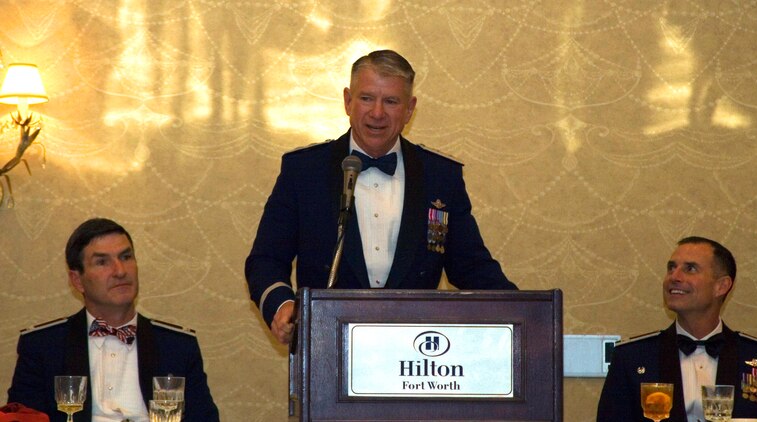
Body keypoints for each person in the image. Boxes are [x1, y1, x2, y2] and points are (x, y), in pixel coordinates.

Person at [245, 49, 517, 345]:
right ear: (347, 101)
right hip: (327, 344)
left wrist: (524, 314)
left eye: (391, 101)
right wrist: (282, 305)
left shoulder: (440, 176)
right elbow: (266, 259)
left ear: (409, 109)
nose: (377, 113)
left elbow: (471, 267)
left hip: (416, 352)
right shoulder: (304, 170)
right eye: (366, 98)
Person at [7, 218, 220, 422]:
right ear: (77, 280)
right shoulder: (43, 346)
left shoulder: (177, 346)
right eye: (102, 262)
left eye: (126, 257)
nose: (120, 271)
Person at [597, 236, 757, 422]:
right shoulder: (632, 358)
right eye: (671, 268)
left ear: (721, 286)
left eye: (690, 269)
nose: (674, 277)